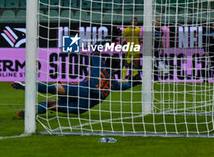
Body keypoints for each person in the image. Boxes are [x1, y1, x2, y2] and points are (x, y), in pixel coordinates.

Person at [12, 28, 142, 116]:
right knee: (51, 104)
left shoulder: (99, 65)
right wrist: (134, 82)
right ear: (116, 69)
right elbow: (124, 87)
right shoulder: (113, 83)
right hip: (84, 106)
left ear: (106, 61)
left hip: (83, 91)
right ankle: (29, 113)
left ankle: (26, 86)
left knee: (53, 88)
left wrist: (109, 38)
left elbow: (96, 49)